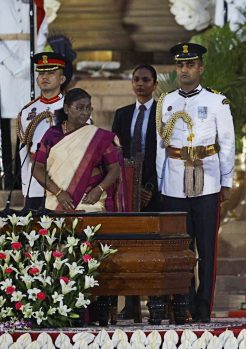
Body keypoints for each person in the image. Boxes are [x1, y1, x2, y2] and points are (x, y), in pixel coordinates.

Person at [155, 43, 235, 323]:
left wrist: (226, 180)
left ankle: (204, 306)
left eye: (190, 65)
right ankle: (183, 305)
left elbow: (226, 143)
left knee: (206, 247)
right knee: (180, 247)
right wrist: (162, 182)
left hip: (207, 178)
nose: (185, 70)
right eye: (180, 65)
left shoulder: (217, 102)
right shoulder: (166, 101)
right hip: (175, 180)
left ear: (201, 68)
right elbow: (160, 144)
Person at [111, 64, 160, 320]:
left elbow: (160, 155)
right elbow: (116, 154)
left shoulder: (162, 113)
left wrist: (148, 187)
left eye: (145, 80)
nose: (139, 84)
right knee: (128, 246)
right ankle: (130, 304)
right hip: (128, 191)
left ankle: (156, 303)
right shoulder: (122, 114)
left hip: (155, 191)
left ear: (154, 84)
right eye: (136, 79)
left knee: (151, 248)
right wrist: (130, 188)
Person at [0, 0, 48, 188]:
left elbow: (43, 27)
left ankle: (24, 174)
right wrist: (8, 61)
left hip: (29, 63)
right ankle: (7, 176)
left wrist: (32, 59)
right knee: (3, 118)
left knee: (28, 118)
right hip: (3, 64)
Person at [32, 88, 123, 212]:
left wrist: (99, 190)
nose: (85, 113)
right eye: (80, 108)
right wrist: (58, 193)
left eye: (88, 108)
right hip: (57, 202)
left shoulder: (98, 137)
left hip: (91, 202)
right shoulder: (52, 135)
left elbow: (115, 168)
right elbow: (37, 168)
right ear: (66, 109)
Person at [17, 52, 67, 211]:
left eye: (51, 73)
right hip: (35, 181)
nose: (45, 77)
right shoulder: (27, 111)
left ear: (62, 79)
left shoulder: (73, 107)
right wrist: (26, 185)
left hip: (63, 178)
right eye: (41, 73)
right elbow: (23, 151)